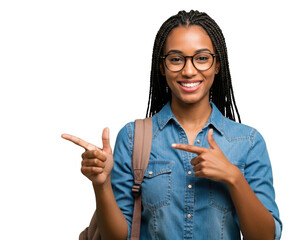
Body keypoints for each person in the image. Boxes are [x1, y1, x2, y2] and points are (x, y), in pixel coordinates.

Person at [62, 10, 282, 240]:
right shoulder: (133, 137)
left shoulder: (248, 142)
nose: (188, 70)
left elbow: (266, 237)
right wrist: (102, 184)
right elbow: (117, 237)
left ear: (217, 65)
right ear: (162, 67)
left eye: (202, 58)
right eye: (176, 59)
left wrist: (233, 177)